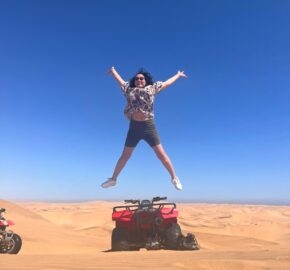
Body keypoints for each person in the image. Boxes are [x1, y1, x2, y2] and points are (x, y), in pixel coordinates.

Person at [101, 66, 187, 190]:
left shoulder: (152, 89)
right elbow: (120, 81)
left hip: (148, 126)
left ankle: (174, 178)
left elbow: (167, 83)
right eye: (136, 79)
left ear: (145, 80)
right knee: (125, 156)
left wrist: (178, 75)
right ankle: (113, 179)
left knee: (161, 155)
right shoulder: (129, 90)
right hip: (134, 127)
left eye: (141, 79)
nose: (139, 80)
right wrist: (114, 72)